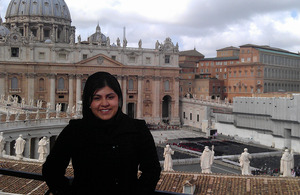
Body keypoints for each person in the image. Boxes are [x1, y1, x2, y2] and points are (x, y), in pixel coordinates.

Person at [42, 72, 161, 195]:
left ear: (119, 99)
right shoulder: (74, 130)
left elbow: (152, 170)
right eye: (97, 98)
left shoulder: (138, 129)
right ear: (88, 102)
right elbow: (51, 170)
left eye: (110, 97)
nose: (104, 103)